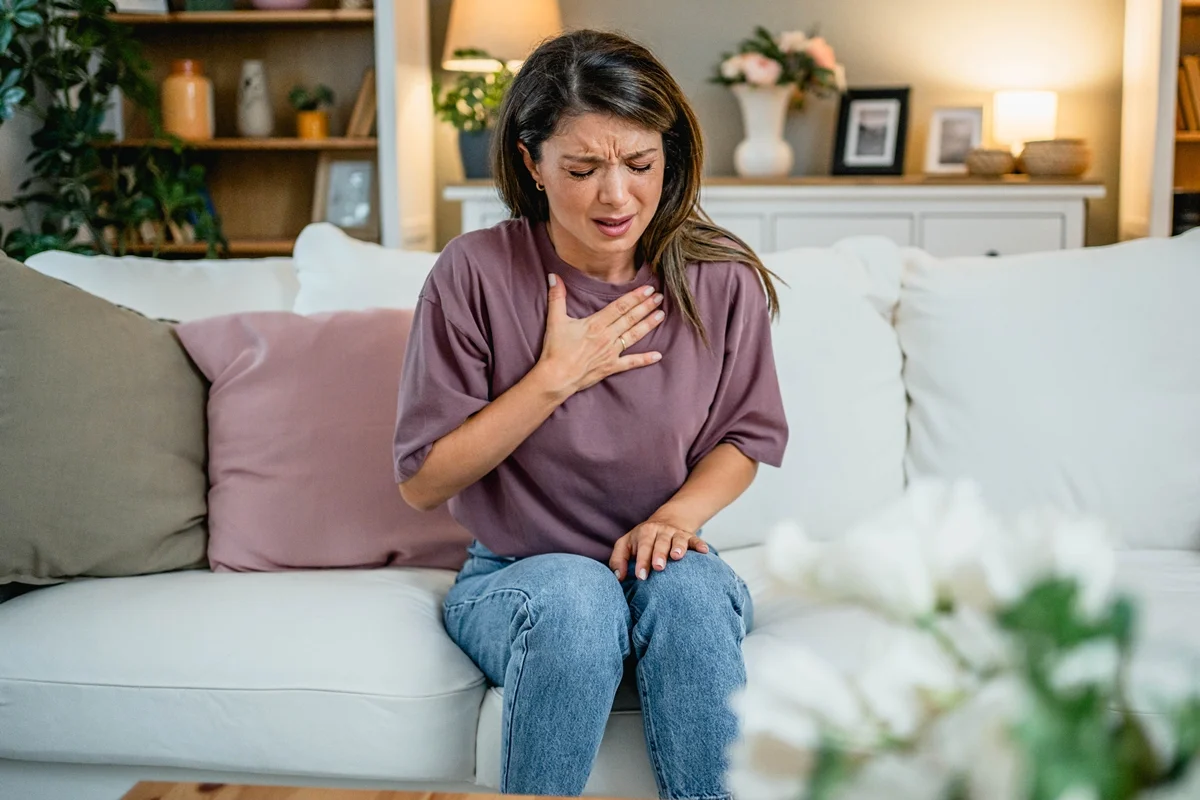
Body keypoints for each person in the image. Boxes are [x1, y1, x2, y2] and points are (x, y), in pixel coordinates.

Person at [393, 28, 788, 800]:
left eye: (640, 164)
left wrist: (674, 519)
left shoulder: (719, 278)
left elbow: (745, 435)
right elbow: (423, 482)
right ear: (531, 163)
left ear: (668, 158)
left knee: (692, 593)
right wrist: (554, 378)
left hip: (663, 562)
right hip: (516, 574)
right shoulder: (474, 272)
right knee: (577, 597)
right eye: (582, 168)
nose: (617, 195)